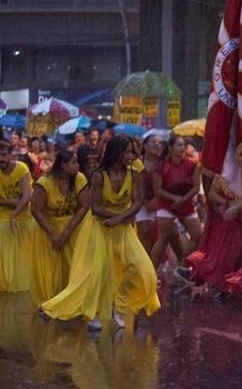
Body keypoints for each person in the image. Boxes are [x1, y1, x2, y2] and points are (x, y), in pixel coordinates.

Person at [41, 135, 160, 330]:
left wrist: (119, 219)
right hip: (99, 229)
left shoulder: (134, 173)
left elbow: (138, 201)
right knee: (98, 273)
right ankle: (92, 313)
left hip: (122, 229)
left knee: (144, 271)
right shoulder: (99, 176)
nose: (132, 156)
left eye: (132, 151)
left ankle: (120, 305)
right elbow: (94, 207)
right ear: (117, 153)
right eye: (128, 152)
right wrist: (116, 217)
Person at [30, 148, 90, 306]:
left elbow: (84, 206)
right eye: (73, 163)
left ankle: (72, 301)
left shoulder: (80, 179)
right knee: (50, 269)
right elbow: (35, 209)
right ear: (63, 166)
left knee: (73, 266)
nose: (78, 165)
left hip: (74, 227)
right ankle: (49, 304)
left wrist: (67, 231)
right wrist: (53, 234)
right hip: (48, 229)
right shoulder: (44, 182)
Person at [150, 134, 202, 270]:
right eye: (179, 145)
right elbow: (157, 189)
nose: (182, 148)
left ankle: (181, 264)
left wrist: (183, 199)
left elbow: (197, 186)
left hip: (186, 204)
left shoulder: (192, 165)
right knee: (164, 238)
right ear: (170, 148)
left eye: (183, 145)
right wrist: (174, 198)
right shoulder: (161, 166)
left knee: (198, 236)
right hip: (166, 204)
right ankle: (151, 273)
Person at [0, 140, 33, 293]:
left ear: (11, 155)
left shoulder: (22, 168)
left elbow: (27, 198)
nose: (1, 159)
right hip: (3, 219)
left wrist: (13, 212)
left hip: (23, 217)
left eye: (4, 155)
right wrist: (12, 201)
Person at [135, 134, 164, 256]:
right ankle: (145, 262)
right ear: (145, 146)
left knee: (159, 234)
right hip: (140, 200)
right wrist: (144, 202)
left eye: (159, 143)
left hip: (160, 201)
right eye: (153, 142)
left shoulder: (163, 163)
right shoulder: (136, 162)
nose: (157, 144)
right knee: (144, 231)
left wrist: (156, 200)